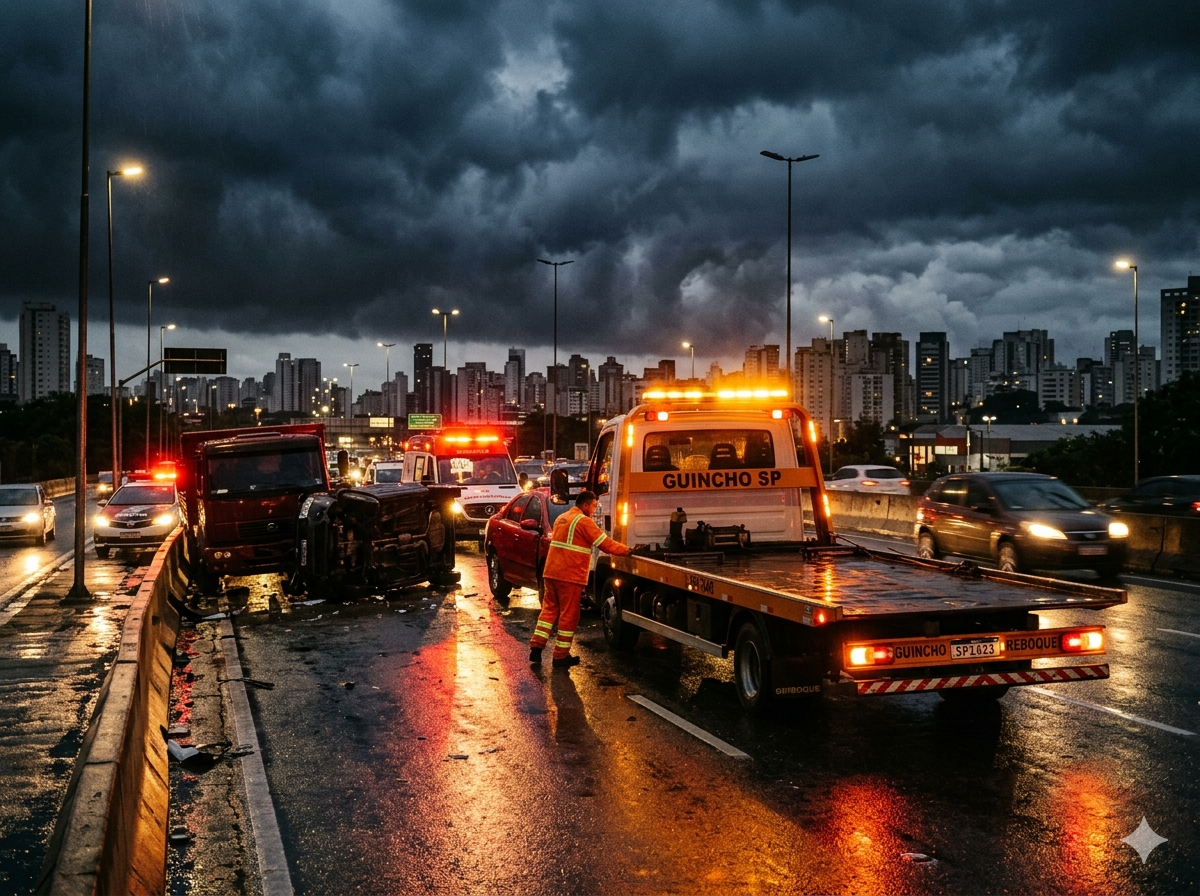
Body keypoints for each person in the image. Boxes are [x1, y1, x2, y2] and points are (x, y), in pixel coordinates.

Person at [530, 490, 632, 669]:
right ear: (585, 505)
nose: (593, 510)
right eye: (593, 506)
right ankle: (560, 656)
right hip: (569, 575)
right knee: (569, 615)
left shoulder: (562, 518)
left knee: (549, 611)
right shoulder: (584, 521)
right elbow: (605, 544)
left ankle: (536, 648)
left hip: (551, 572)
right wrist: (628, 550)